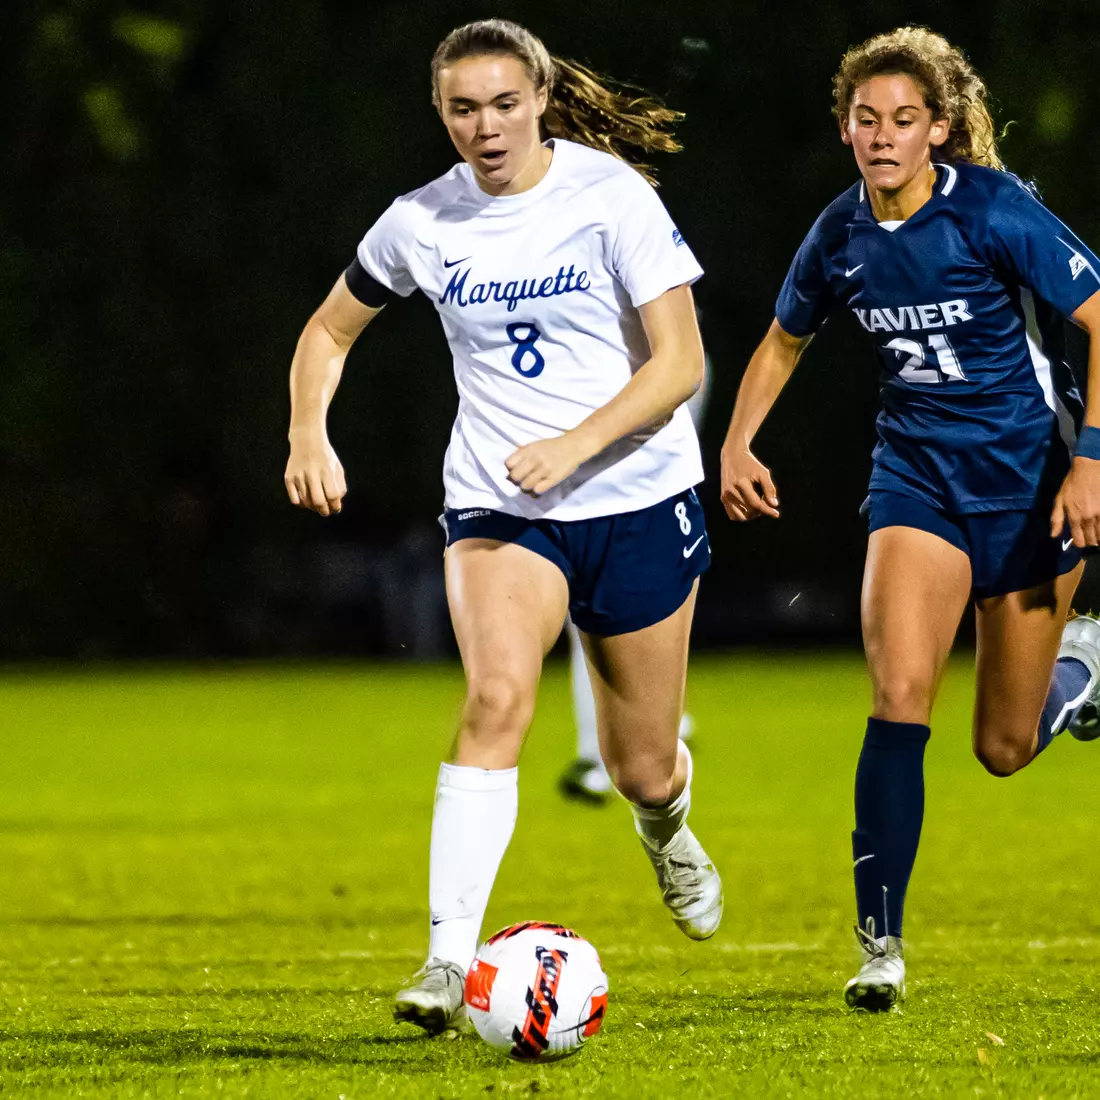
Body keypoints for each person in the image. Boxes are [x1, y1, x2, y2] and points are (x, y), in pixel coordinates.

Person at [284, 18, 722, 1036]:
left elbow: (678, 363)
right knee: (494, 697)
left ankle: (665, 828)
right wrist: (309, 430)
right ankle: (445, 958)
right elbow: (326, 329)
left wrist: (573, 447)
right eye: (462, 109)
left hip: (635, 500)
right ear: (441, 114)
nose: (485, 127)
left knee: (642, 764)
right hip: (498, 505)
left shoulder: (609, 195)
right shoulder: (419, 222)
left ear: (538, 97)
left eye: (503, 104)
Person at [720, 26, 1100, 1012]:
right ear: (844, 129)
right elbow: (779, 339)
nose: (881, 136)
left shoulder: (991, 210)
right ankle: (878, 943)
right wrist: (734, 442)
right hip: (914, 485)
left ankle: (1078, 667)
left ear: (936, 129)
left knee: (1002, 748)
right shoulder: (838, 231)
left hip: (1027, 485)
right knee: (895, 696)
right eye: (864, 119)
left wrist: (1090, 463)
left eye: (901, 119)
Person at [560, 350, 709, 803]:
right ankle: (635, 736)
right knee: (588, 612)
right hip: (632, 372)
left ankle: (649, 730)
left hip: (650, 376)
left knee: (614, 608)